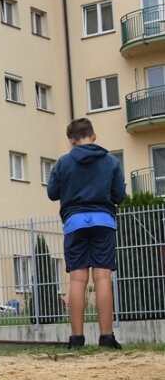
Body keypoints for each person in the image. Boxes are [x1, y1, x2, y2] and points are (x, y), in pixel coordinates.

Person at [47, 118, 125, 349]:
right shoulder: (111, 161)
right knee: (102, 278)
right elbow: (119, 195)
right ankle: (107, 337)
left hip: (75, 223)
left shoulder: (63, 162)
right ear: (94, 135)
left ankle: (77, 338)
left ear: (71, 140)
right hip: (103, 221)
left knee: (78, 280)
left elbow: (52, 193)